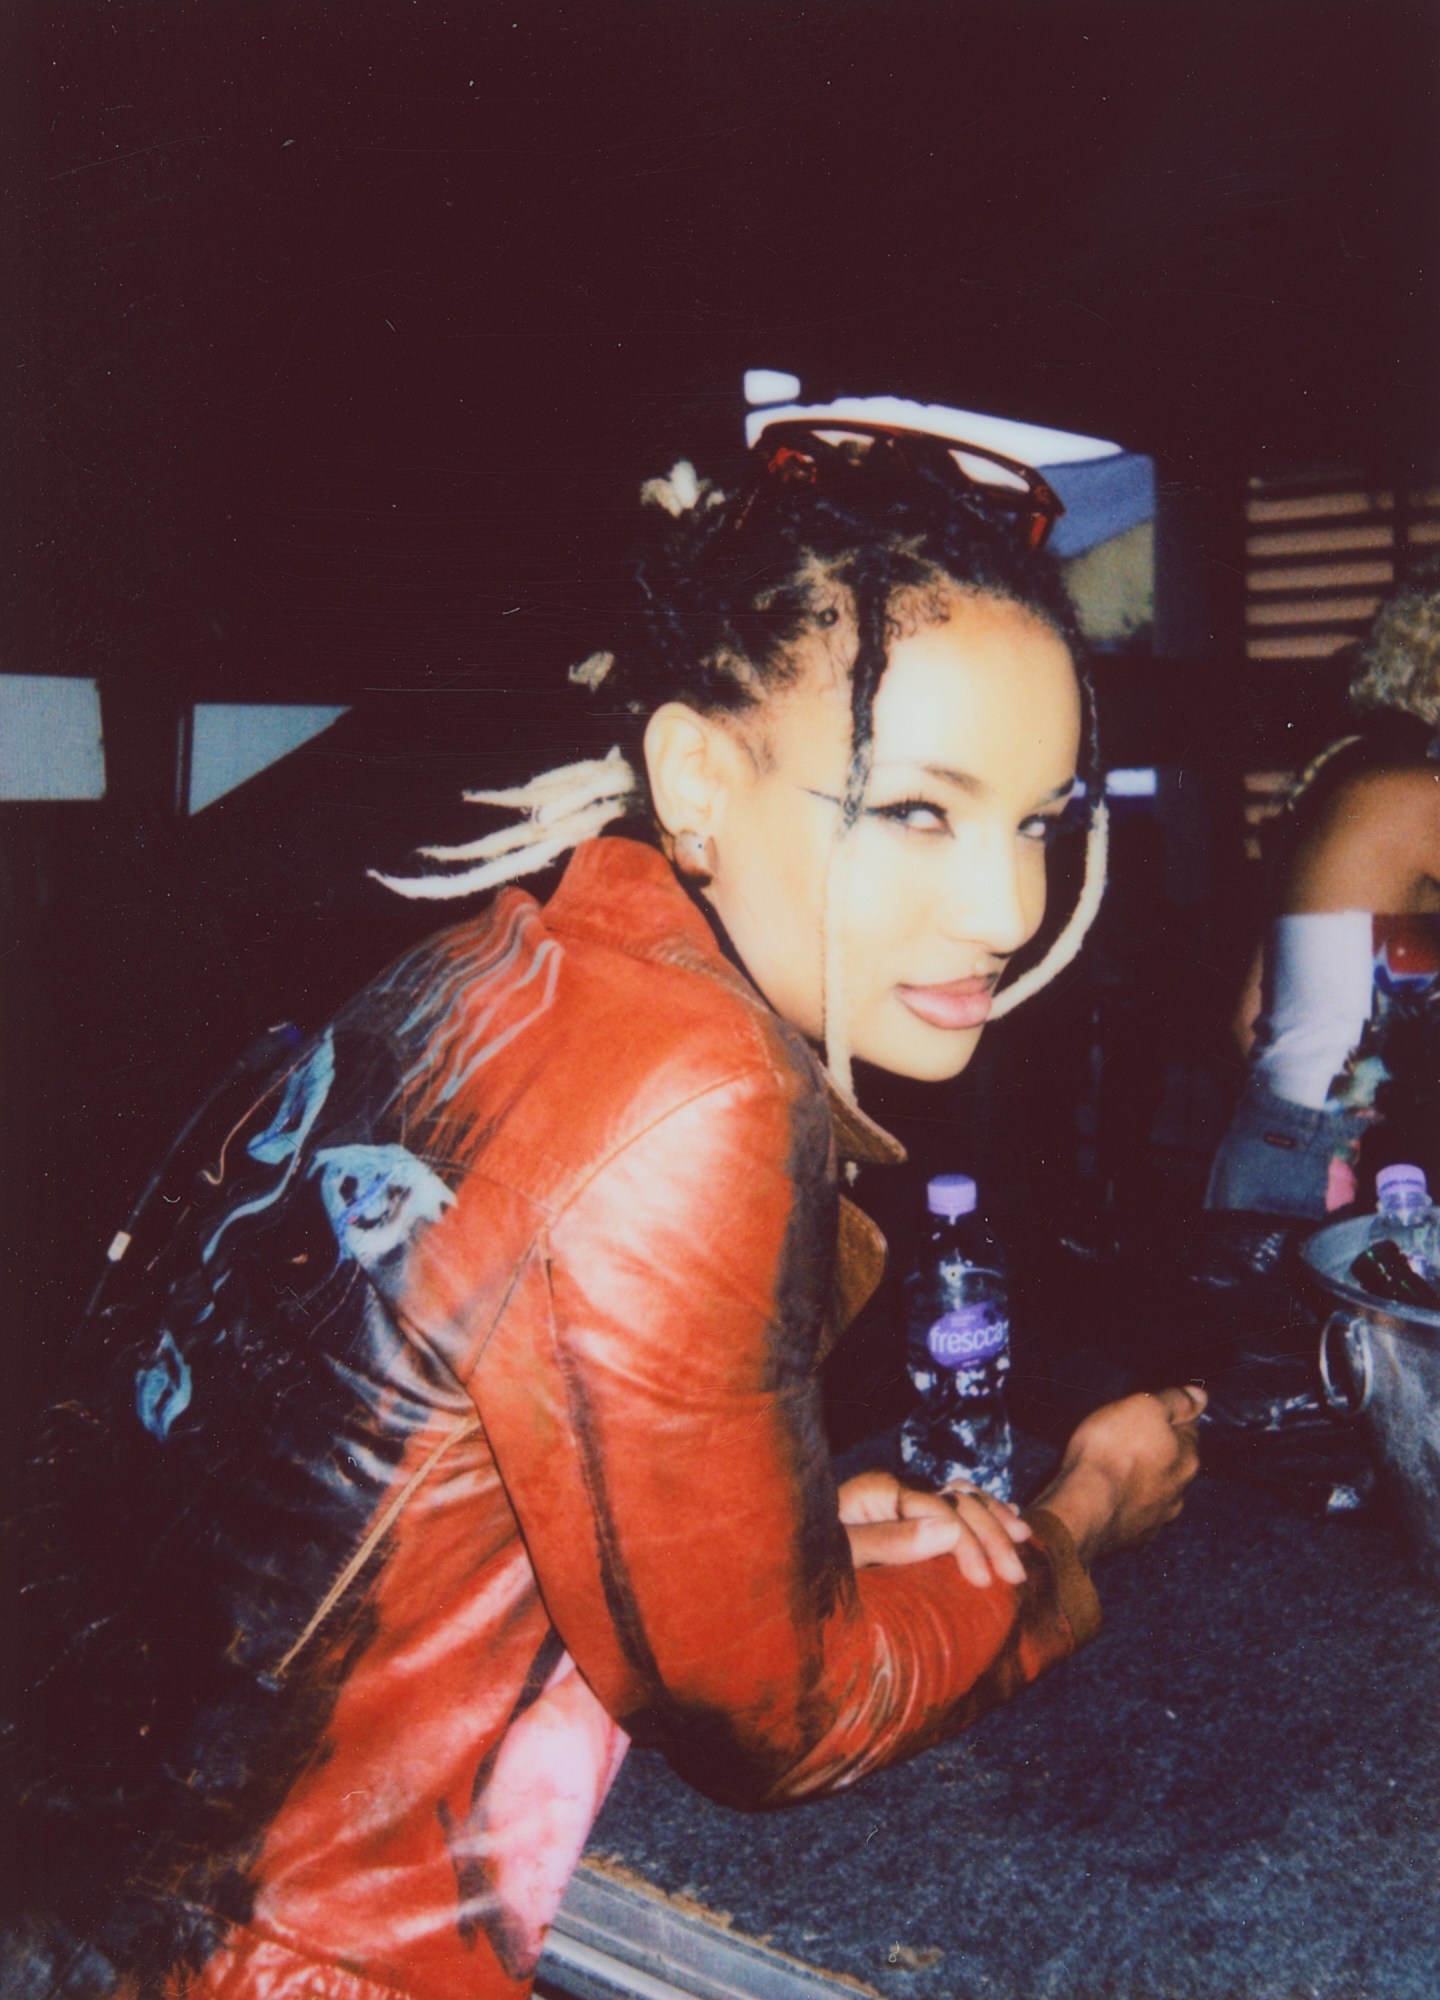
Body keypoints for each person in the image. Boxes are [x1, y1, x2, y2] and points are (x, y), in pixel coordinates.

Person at [8, 420, 1205, 2000]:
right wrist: (1080, 1518)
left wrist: (767, 1527)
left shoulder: (517, 947)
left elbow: (362, 1460)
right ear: (697, 775)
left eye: (1040, 819)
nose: (1007, 907)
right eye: (919, 808)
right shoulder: (701, 1087)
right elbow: (785, 1721)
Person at [1207, 557, 1440, 1219]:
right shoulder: (1419, 797)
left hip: (1271, 1144)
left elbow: (1246, 1018)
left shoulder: (1343, 783)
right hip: (1340, 1162)